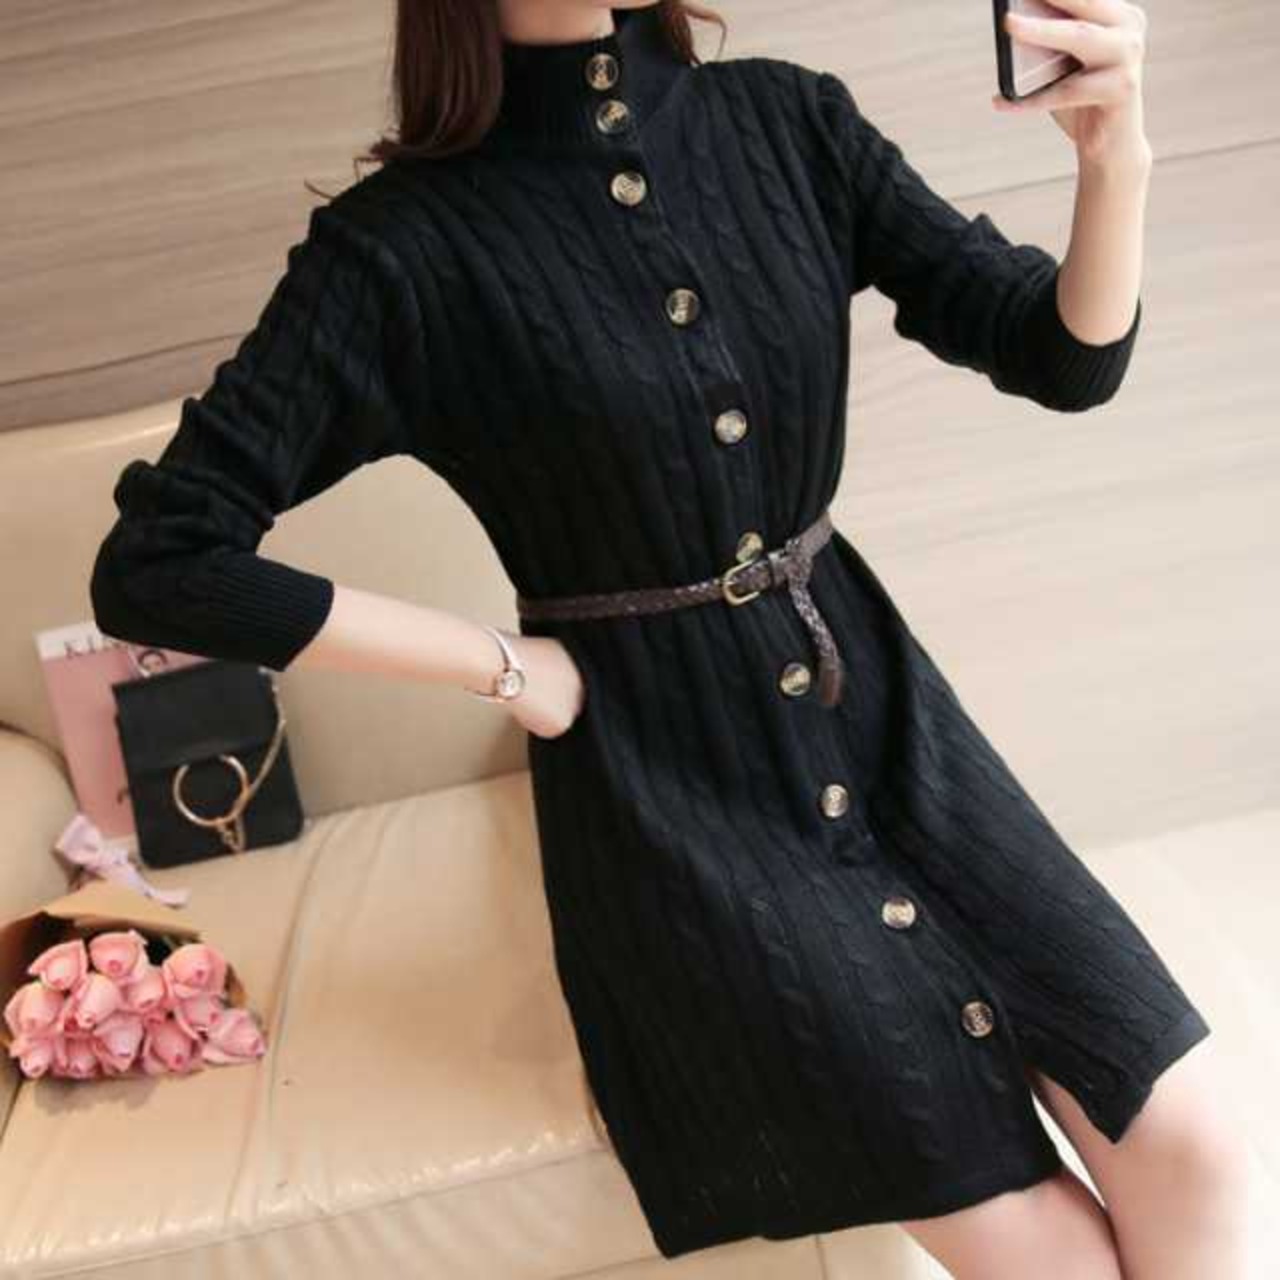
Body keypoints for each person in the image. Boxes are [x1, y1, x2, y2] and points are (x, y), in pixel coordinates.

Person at [90, 2, 1251, 1275]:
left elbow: (1062, 358)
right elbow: (160, 562)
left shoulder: (788, 121)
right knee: (1044, 1254)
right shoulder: (398, 252)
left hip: (886, 721)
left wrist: (1112, 153)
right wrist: (503, 668)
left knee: (1194, 1146)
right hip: (673, 805)